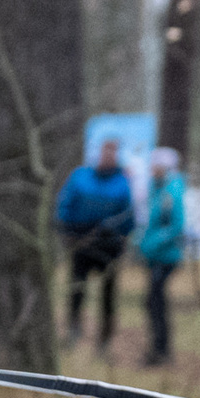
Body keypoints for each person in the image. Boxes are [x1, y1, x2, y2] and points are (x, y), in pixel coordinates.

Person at [55, 137, 137, 349]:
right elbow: (65, 203)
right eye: (104, 151)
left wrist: (122, 235)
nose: (107, 156)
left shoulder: (122, 181)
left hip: (109, 245)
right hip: (80, 241)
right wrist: (66, 229)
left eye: (112, 152)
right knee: (76, 289)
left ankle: (105, 339)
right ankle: (73, 331)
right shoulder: (80, 176)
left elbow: (128, 213)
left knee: (108, 294)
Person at [137, 148, 187, 367]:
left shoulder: (172, 191)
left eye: (155, 165)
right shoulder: (156, 189)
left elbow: (177, 226)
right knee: (153, 302)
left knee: (156, 302)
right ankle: (158, 349)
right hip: (154, 256)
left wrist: (152, 243)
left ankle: (161, 352)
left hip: (166, 257)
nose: (151, 168)